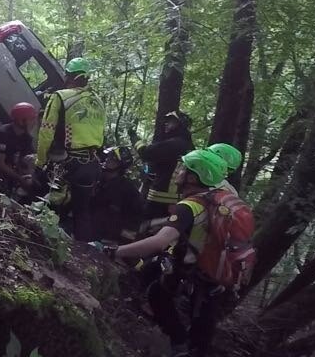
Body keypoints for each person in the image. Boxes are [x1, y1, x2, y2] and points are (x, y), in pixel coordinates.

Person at [97, 148, 236, 357]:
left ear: (192, 177)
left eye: (183, 168)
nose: (177, 171)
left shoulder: (191, 205)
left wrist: (114, 251)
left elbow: (159, 242)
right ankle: (184, 345)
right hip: (213, 271)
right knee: (196, 320)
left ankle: (179, 345)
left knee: (158, 294)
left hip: (193, 270)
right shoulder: (220, 198)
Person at [36, 57, 106, 241]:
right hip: (91, 163)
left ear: (70, 76)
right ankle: (84, 251)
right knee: (82, 211)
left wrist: (40, 161)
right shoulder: (98, 101)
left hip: (66, 162)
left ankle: (45, 244)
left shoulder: (61, 97)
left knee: (52, 204)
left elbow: (46, 132)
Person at [137, 110, 195, 218]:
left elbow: (146, 153)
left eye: (171, 121)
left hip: (159, 200)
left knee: (143, 224)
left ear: (180, 124)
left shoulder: (174, 144)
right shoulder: (189, 146)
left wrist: (135, 139)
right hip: (177, 200)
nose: (166, 124)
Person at [0, 102, 38, 197]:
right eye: (32, 119)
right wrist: (19, 178)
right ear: (22, 121)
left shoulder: (26, 138)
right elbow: (0, 163)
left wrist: (28, 174)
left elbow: (26, 158)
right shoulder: (3, 134)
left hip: (9, 171)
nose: (34, 122)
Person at [92, 146, 144, 243]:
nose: (107, 160)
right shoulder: (98, 181)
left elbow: (132, 224)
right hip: (91, 233)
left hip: (111, 240)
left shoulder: (127, 190)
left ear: (120, 165)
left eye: (112, 159)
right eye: (108, 157)